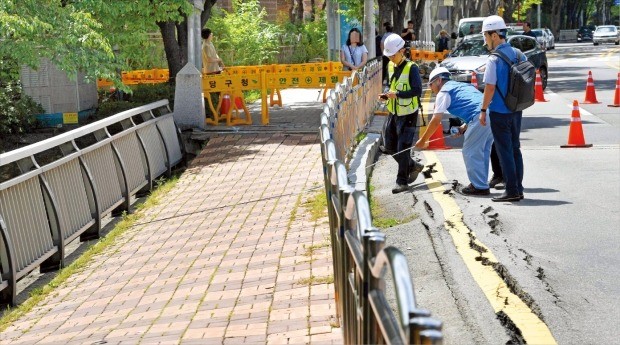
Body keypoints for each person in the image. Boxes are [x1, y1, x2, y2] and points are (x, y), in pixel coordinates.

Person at [415, 67, 494, 195]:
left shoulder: (444, 92)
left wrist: (423, 140)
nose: (430, 89)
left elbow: (436, 120)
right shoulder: (462, 86)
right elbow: (475, 105)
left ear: (439, 80)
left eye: (431, 84)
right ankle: (480, 183)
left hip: (480, 117)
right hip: (490, 115)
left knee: (471, 151)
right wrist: (464, 127)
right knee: (482, 151)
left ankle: (479, 186)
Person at [479, 15, 526, 202]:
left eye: (485, 36)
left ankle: (511, 190)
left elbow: (490, 87)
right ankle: (518, 188)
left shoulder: (494, 59)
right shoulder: (518, 53)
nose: (485, 40)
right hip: (516, 109)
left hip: (499, 111)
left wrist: (483, 110)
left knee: (504, 150)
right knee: (515, 148)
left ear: (494, 35)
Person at [379, 34, 424, 194]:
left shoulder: (412, 68)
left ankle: (402, 181)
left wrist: (397, 95)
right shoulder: (390, 66)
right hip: (393, 111)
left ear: (402, 51)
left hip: (408, 113)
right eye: (389, 55)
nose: (391, 57)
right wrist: (387, 94)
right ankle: (412, 165)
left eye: (393, 54)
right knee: (389, 146)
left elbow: (417, 90)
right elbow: (390, 85)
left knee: (402, 148)